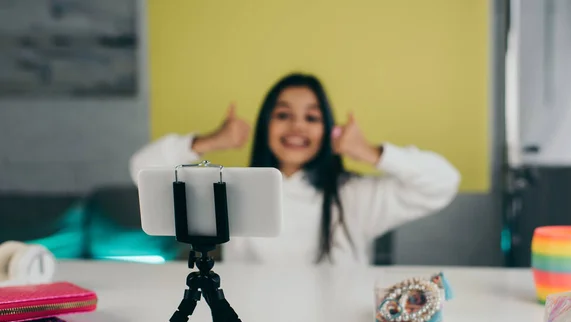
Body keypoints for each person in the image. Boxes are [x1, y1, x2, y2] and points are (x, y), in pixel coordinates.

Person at [129, 73, 461, 266]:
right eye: (283, 115)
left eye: (312, 117)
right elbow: (142, 170)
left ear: (328, 128)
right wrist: (211, 140)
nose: (296, 127)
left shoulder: (355, 193)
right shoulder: (229, 187)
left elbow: (444, 183)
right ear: (265, 126)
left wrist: (369, 151)